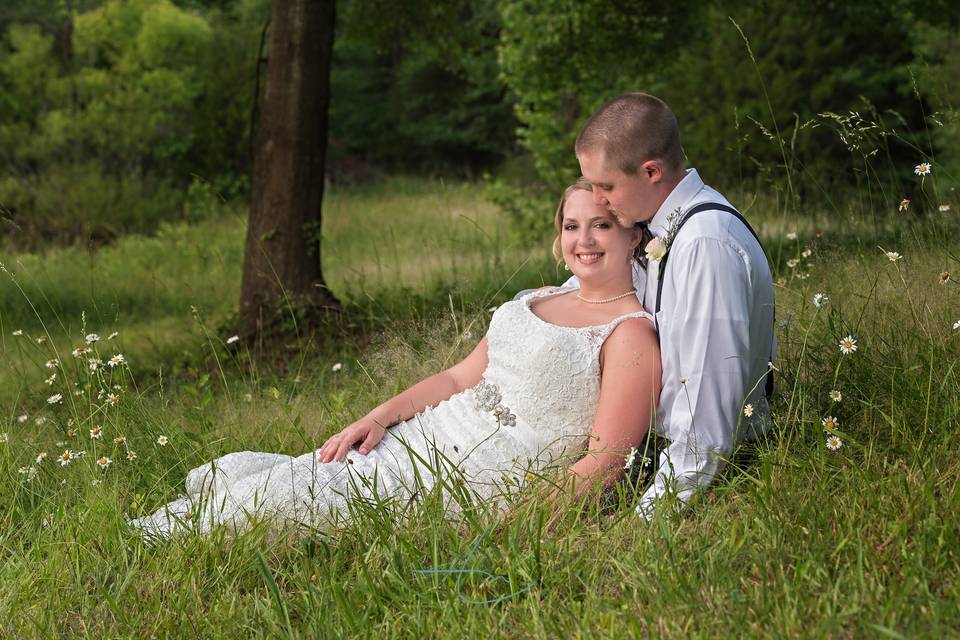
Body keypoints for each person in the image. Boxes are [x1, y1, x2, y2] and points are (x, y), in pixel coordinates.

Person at [129, 181, 661, 538]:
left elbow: (605, 461)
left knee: (277, 503)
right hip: (429, 437)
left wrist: (514, 528)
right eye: (571, 226)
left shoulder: (629, 334)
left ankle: (165, 538)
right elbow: (458, 376)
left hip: (485, 478)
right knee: (267, 472)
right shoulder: (539, 296)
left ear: (634, 233)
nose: (583, 240)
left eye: (602, 226)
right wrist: (379, 417)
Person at [567, 92, 776, 517]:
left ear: (651, 171)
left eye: (606, 186)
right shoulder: (654, 225)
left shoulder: (704, 245)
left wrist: (645, 528)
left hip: (696, 474)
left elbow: (707, 427)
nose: (598, 199)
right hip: (640, 452)